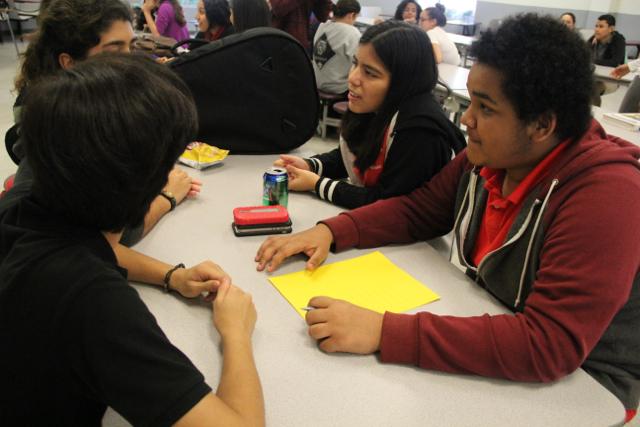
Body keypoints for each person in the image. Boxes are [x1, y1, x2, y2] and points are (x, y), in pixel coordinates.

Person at [256, 14, 640, 423]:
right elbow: (420, 210)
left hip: (589, 387)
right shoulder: (493, 158)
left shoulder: (608, 194)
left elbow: (549, 344)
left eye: (485, 108)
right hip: (503, 330)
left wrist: (385, 332)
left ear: (542, 124)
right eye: (471, 101)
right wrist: (330, 231)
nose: (465, 119)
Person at [0, 53, 265, 426]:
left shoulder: (24, 205)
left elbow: (92, 248)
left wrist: (171, 276)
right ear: (142, 186)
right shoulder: (91, 300)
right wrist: (236, 332)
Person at [4, 0, 221, 299]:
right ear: (69, 63)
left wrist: (172, 276)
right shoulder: (61, 139)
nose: (130, 62)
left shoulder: (81, 119)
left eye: (130, 47)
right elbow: (103, 234)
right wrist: (165, 197)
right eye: (113, 50)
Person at [275, 21, 465, 209]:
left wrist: (317, 184)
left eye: (370, 73)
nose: (353, 78)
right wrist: (311, 166)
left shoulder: (421, 132)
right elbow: (355, 157)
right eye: (355, 64)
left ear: (403, 80)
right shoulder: (376, 107)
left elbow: (389, 205)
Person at [312, 0, 361, 95]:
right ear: (352, 15)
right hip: (337, 88)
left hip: (316, 83)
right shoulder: (352, 33)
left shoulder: (322, 26)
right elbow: (359, 62)